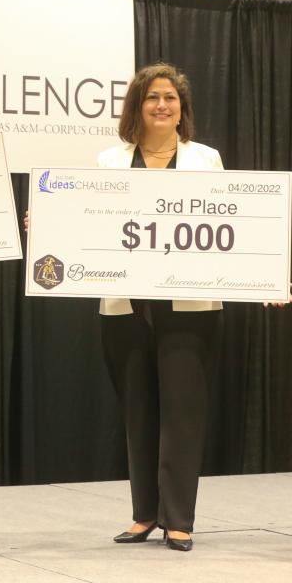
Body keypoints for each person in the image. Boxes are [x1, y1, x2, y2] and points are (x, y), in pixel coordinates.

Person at [98, 62, 223, 552]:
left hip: (189, 304)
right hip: (126, 307)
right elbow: (87, 222)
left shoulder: (206, 159)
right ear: (138, 106)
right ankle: (144, 515)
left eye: (170, 97)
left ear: (181, 108)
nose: (162, 105)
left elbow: (232, 227)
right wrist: (44, 223)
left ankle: (178, 519)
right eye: (152, 97)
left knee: (183, 412)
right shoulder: (108, 161)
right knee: (138, 411)